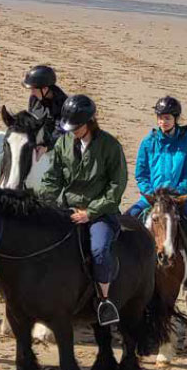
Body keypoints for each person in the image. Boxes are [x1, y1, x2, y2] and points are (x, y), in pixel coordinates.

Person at [41, 95, 127, 327]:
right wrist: (49, 202)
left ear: (90, 122)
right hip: (67, 208)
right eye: (70, 127)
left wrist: (90, 212)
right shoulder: (63, 143)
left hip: (100, 212)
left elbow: (116, 187)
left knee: (99, 249)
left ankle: (104, 301)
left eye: (77, 127)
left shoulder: (110, 146)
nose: (73, 131)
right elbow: (51, 178)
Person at [126, 97, 187, 295]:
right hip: (151, 197)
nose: (163, 121)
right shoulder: (148, 142)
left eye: (168, 118)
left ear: (176, 119)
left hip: (177, 198)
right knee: (125, 221)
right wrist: (150, 191)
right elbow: (141, 173)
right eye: (160, 118)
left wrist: (176, 193)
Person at [23, 64, 68, 150]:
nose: (32, 93)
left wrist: (46, 146)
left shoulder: (64, 106)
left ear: (44, 89)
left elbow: (60, 133)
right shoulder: (35, 98)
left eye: (33, 89)